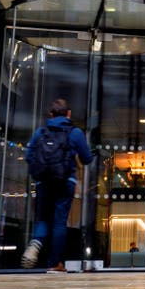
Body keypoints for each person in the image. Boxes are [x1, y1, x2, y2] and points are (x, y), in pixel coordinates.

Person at [21, 98, 93, 273]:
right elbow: (87, 158)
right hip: (65, 181)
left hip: (44, 182)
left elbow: (29, 156)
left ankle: (36, 243)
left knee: (44, 218)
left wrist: (40, 174)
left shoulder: (41, 132)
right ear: (68, 114)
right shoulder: (74, 133)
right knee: (60, 222)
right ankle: (55, 263)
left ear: (51, 114)